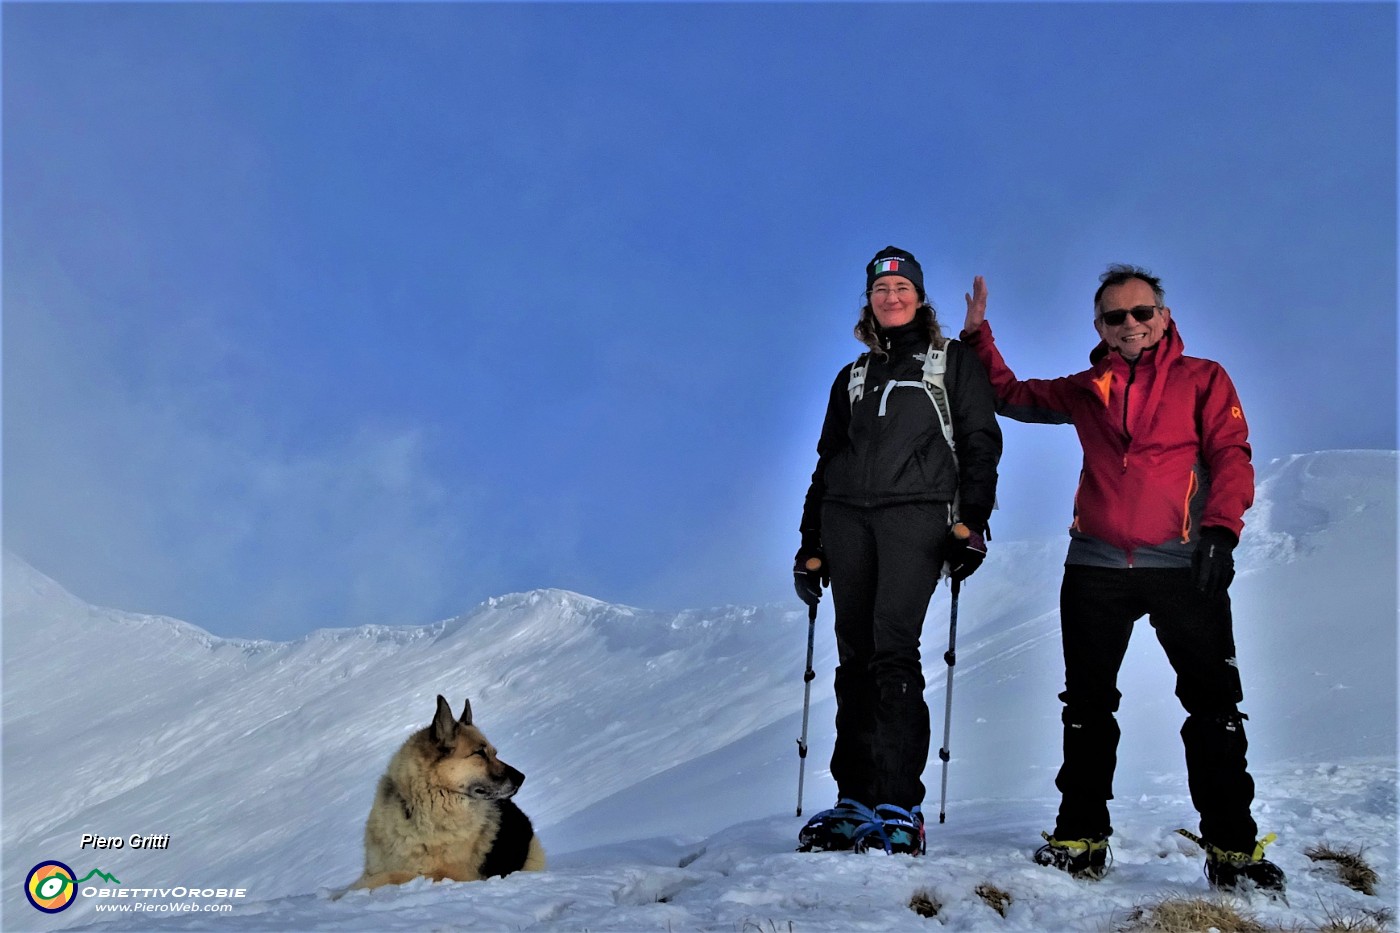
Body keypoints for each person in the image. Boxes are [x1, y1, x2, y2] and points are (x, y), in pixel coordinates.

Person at [958, 264, 1284, 892]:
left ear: (1163, 316)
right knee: (1086, 706)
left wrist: (1220, 531)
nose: (1130, 325)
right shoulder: (1087, 388)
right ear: (1100, 327)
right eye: (1115, 316)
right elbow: (1010, 394)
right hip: (1096, 565)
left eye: (1141, 313)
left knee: (1214, 707)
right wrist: (978, 338)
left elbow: (1229, 454)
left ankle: (1233, 851)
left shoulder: (1205, 379)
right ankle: (1080, 837)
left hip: (1183, 563)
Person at [793, 245, 1002, 856]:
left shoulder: (950, 362)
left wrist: (974, 524)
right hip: (846, 521)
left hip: (917, 517)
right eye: (881, 291)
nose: (891, 298)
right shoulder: (852, 375)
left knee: (893, 650)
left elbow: (980, 441)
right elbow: (826, 463)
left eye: (901, 289)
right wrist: (810, 545)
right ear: (870, 301)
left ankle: (898, 803)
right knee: (852, 658)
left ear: (918, 296)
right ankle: (853, 800)